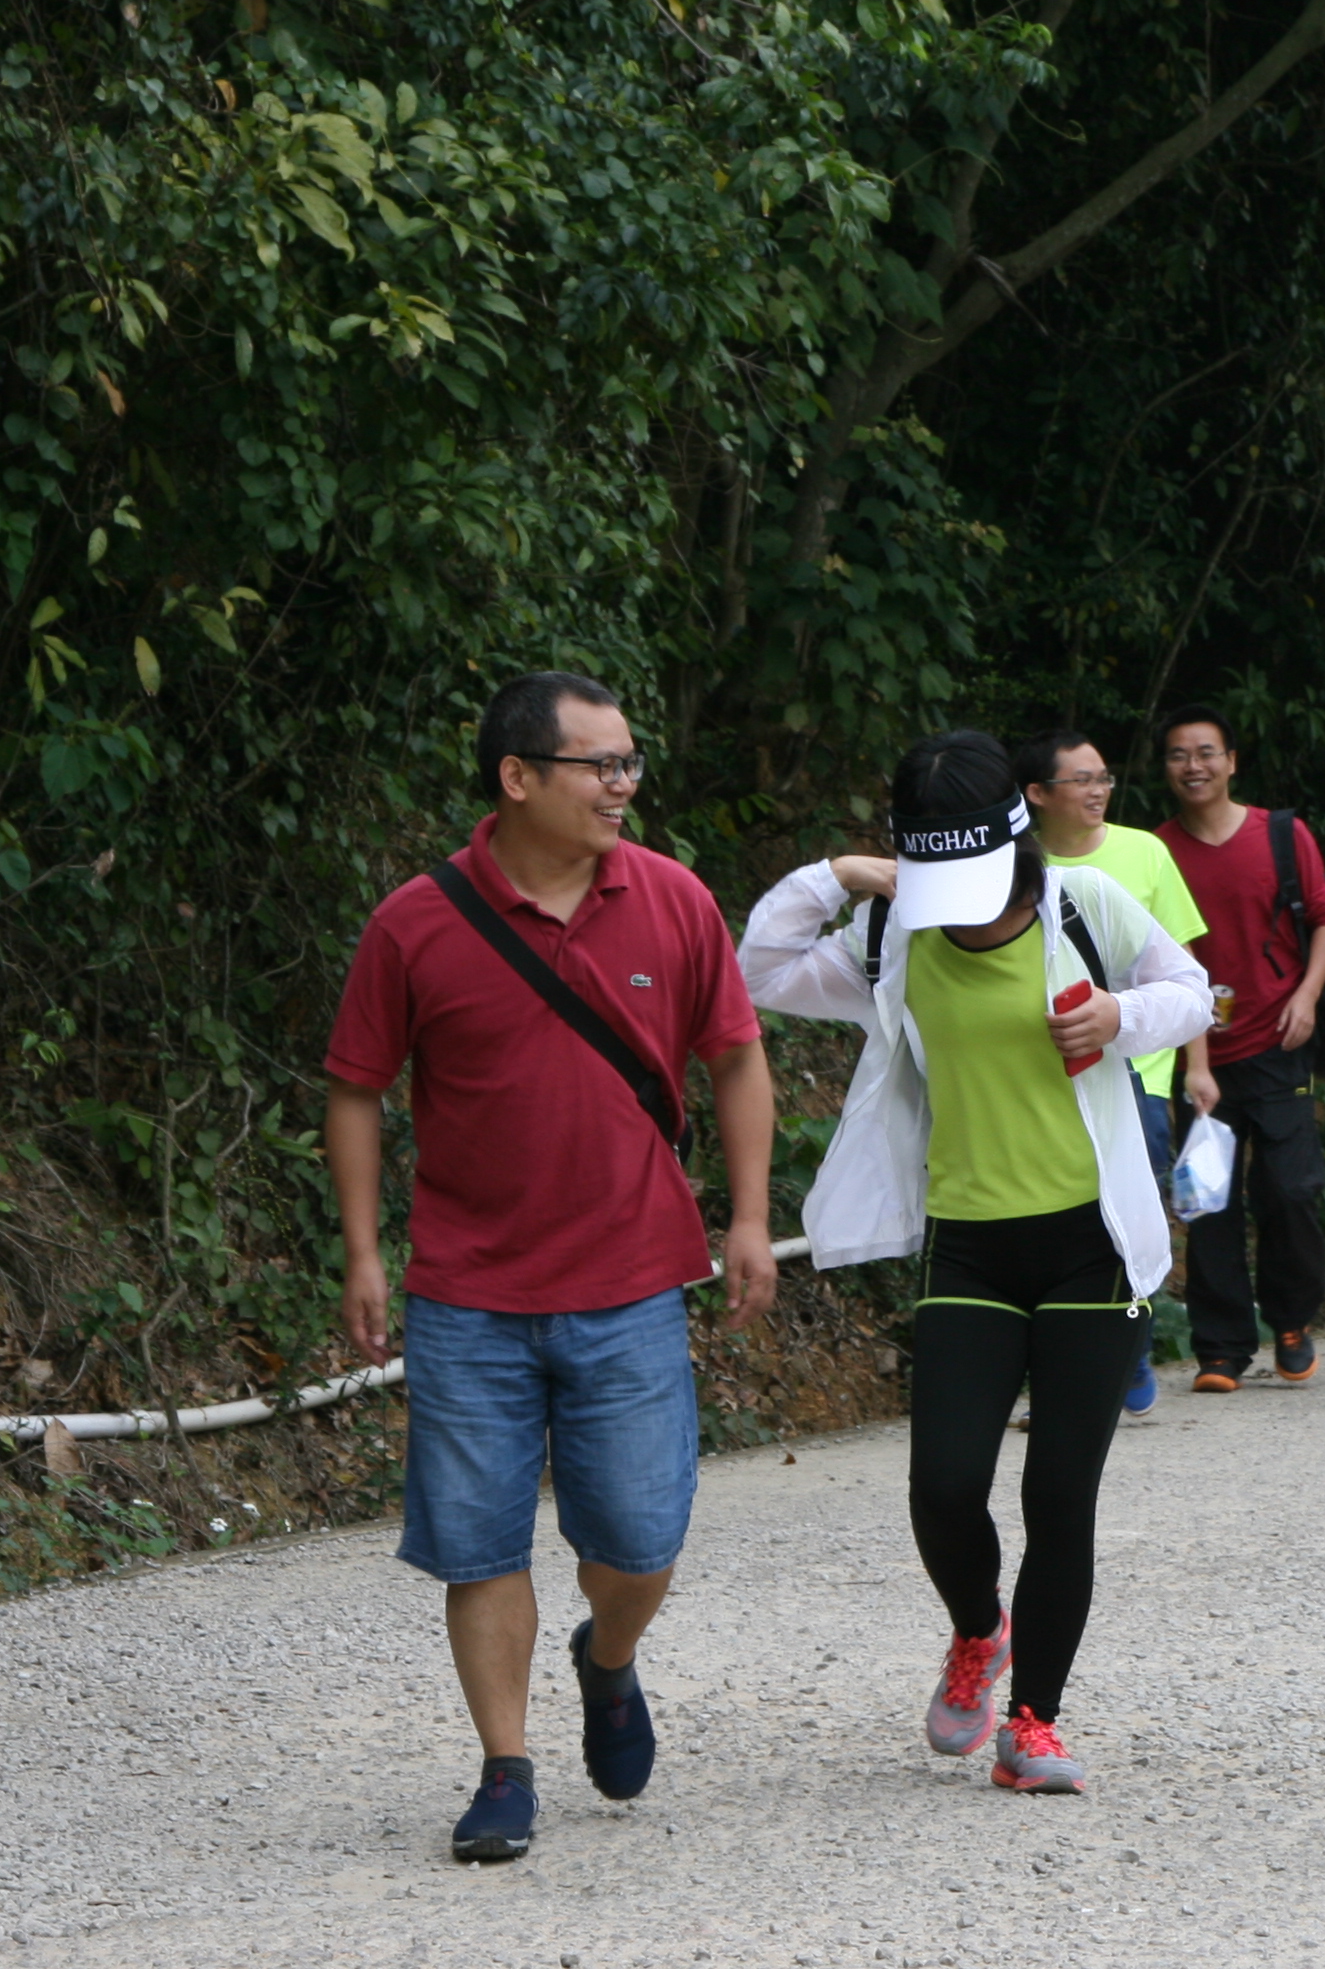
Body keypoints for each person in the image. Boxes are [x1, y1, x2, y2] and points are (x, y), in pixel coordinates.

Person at [325, 672, 778, 1865]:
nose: (623, 785)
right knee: (477, 1541)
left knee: (638, 1537)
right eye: (600, 764)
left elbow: (736, 1056)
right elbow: (356, 1087)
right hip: (467, 1291)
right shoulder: (416, 922)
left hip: (631, 1281)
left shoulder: (674, 899)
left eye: (631, 762)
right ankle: (505, 1767)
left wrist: (747, 1216)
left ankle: (608, 1655)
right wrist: (365, 1250)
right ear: (518, 776)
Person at [738, 730, 1212, 1794]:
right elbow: (758, 968)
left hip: (1092, 1245)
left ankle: (1034, 1721)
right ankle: (976, 1629)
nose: (961, 908)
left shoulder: (1086, 907)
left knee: (1060, 1495)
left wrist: (1120, 1015)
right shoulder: (892, 936)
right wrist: (841, 874)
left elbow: (1192, 989)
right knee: (944, 1484)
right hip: (971, 1244)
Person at [1018, 728, 1216, 1413]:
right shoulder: (1015, 867)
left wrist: (1197, 1068)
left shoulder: (1145, 852)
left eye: (1103, 777)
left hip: (1141, 1074)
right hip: (1035, 1082)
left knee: (1128, 1213)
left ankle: (1130, 1358)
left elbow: (1185, 970)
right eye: (1082, 779)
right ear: (1037, 794)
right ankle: (1060, 1369)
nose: (1099, 790)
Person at [1153, 706, 1325, 1390]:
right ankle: (1221, 1348)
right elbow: (1161, 956)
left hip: (1278, 1040)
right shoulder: (1156, 851)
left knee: (1290, 1191)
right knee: (1207, 1202)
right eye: (1179, 754)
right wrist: (1194, 1061)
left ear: (1231, 761)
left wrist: (1308, 995)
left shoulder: (1282, 835)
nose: (1194, 766)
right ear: (1166, 768)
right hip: (1196, 1053)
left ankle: (1291, 1320)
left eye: (1206, 752)